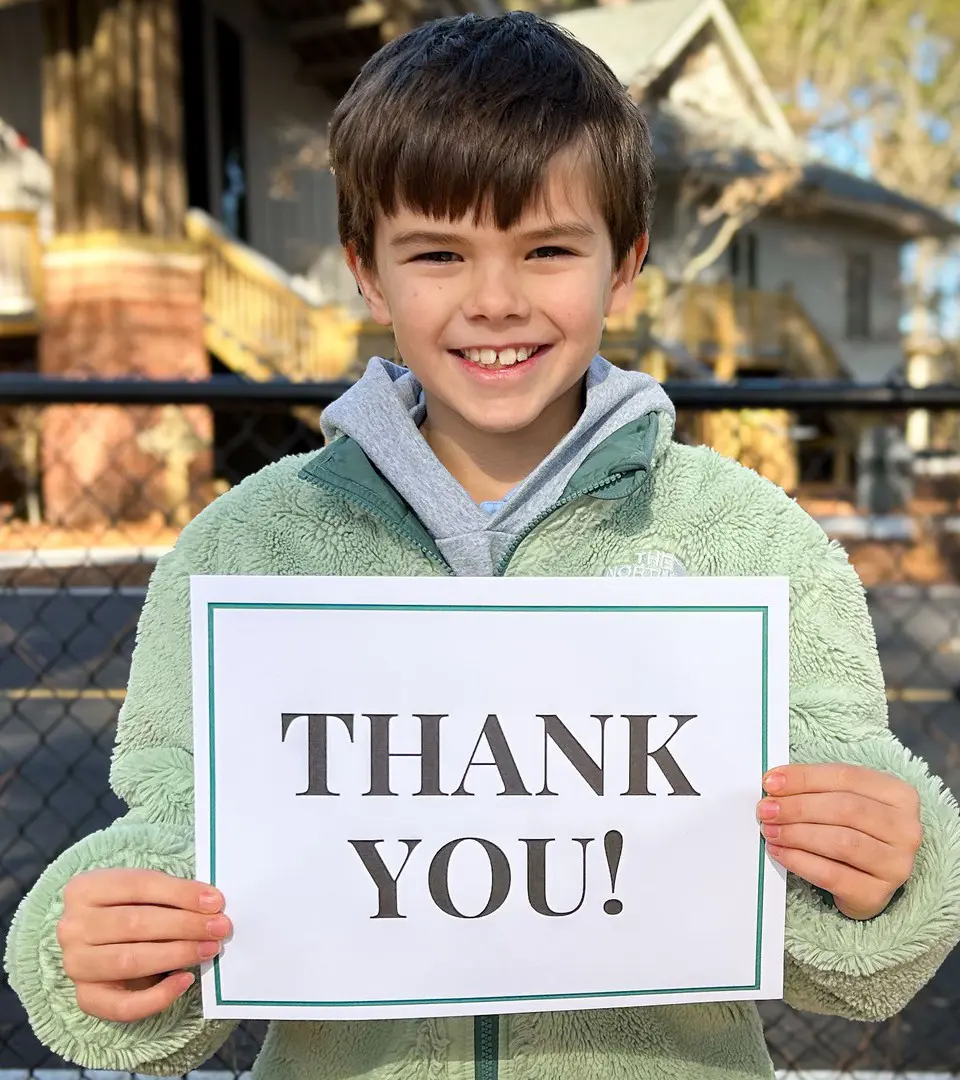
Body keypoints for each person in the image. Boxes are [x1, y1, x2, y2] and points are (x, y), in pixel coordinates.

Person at [6, 12, 960, 1080]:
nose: (495, 300)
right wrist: (104, 949)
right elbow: (179, 842)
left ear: (626, 265)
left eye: (548, 249)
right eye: (438, 253)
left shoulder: (752, 545)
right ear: (367, 271)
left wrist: (881, 873)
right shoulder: (247, 550)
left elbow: (846, 954)